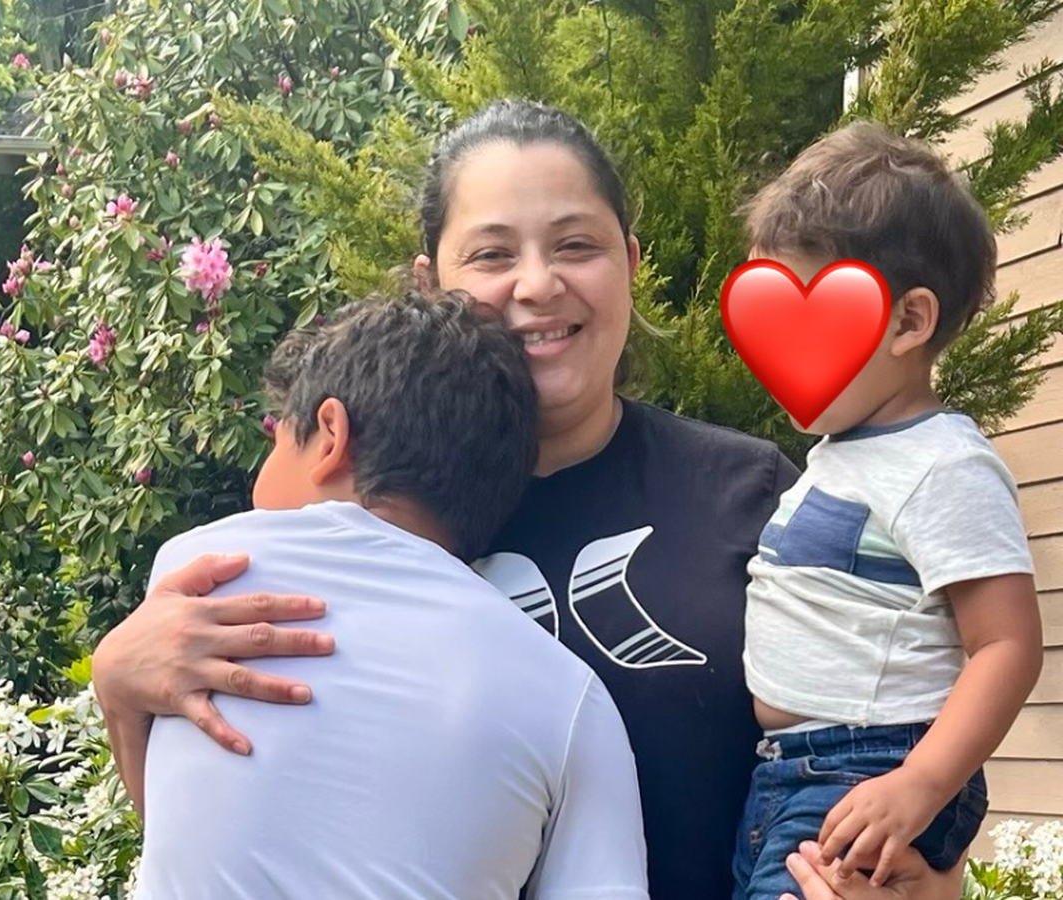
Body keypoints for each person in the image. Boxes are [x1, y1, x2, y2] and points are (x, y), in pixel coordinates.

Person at [92, 99, 964, 899]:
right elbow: (224, 827)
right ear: (430, 284)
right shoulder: (351, 528)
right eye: (492, 254)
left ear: (630, 264)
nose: (538, 284)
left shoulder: (762, 500)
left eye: (576, 245)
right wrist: (121, 684)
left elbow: (892, 741)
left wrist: (928, 889)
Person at [133, 291, 649, 900]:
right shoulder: (569, 698)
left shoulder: (198, 574)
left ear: (330, 435)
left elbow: (175, 831)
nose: (257, 483)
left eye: (277, 444)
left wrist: (117, 689)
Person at [732, 122, 1042, 900]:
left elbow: (1006, 644)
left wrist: (920, 783)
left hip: (870, 768)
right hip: (796, 773)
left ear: (907, 322)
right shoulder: (842, 456)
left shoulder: (944, 463)